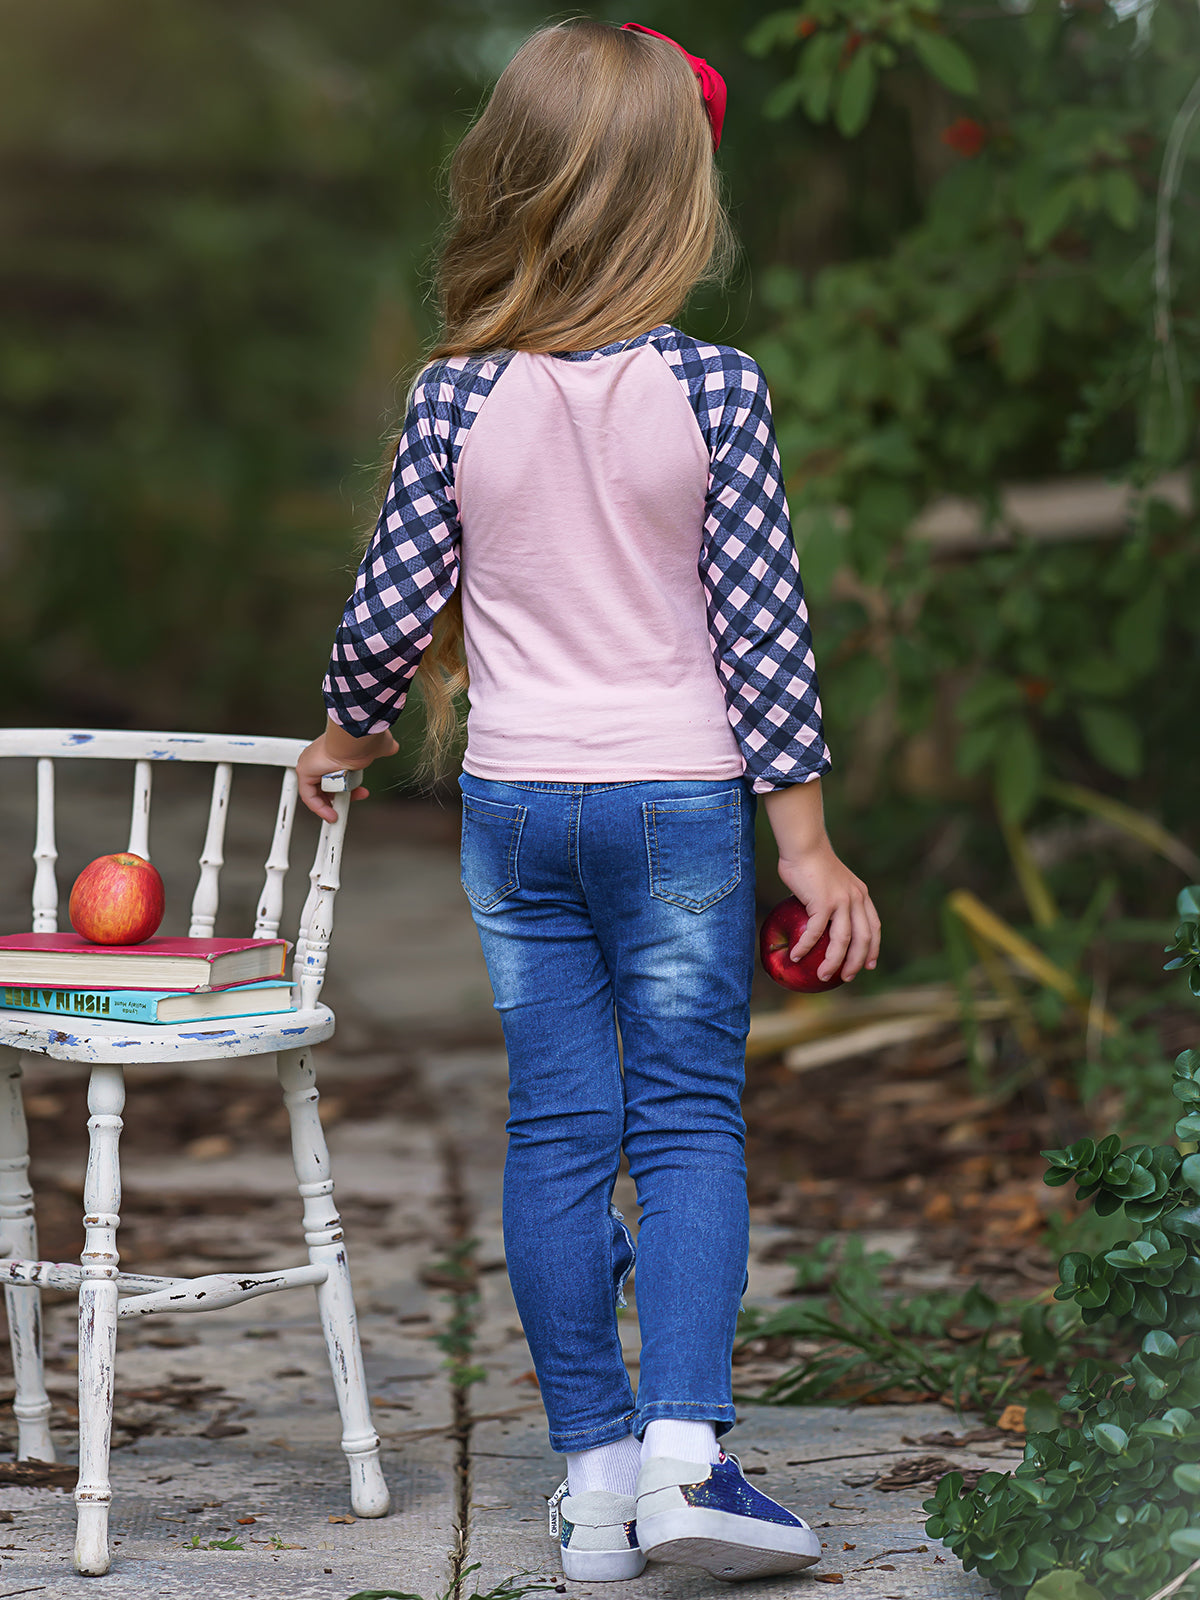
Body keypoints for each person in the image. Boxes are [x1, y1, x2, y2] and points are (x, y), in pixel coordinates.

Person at [297, 18, 880, 1584]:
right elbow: (765, 629)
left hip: (516, 812)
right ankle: (692, 1459)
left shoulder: (452, 398)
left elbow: (382, 617)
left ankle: (594, 1493)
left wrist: (346, 745)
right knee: (685, 1122)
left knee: (556, 1128)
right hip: (683, 806)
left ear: (511, 186)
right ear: (678, 205)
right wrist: (807, 844)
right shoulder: (718, 390)